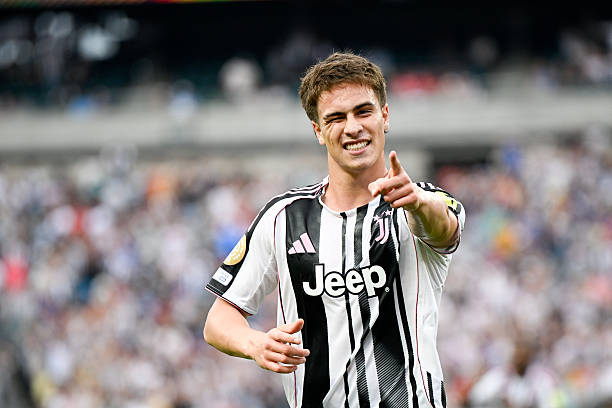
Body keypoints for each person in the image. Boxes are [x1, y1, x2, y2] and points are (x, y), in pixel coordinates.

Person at [204, 51, 466, 408]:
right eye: (336, 117)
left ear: (385, 116)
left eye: (363, 111)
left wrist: (417, 202)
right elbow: (219, 319)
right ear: (318, 130)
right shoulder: (284, 218)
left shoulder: (420, 203)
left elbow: (444, 230)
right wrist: (255, 343)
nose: (353, 127)